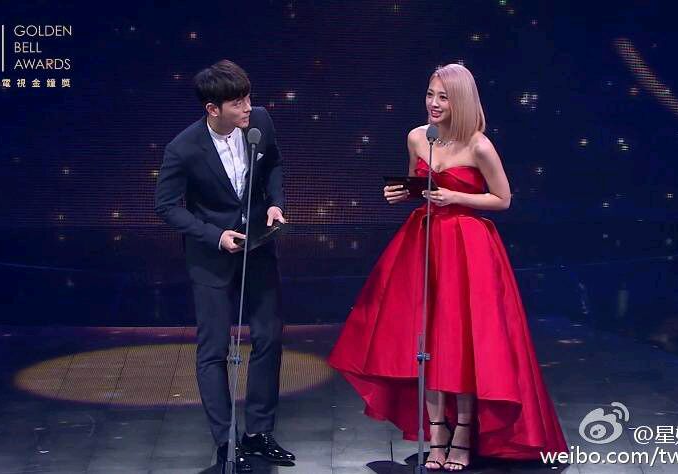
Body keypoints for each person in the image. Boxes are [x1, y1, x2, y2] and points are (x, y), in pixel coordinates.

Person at [328, 63, 568, 471]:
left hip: (467, 248)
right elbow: (417, 186)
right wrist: (402, 193)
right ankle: (436, 434)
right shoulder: (417, 137)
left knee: (462, 344)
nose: (434, 103)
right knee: (424, 342)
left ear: (461, 101)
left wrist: (456, 198)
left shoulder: (479, 146)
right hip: (423, 244)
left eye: (443, 97)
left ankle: (463, 437)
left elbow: (503, 199)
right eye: (430, 94)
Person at [154, 59, 295, 473]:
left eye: (248, 98)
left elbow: (273, 165)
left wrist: (275, 203)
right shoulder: (183, 148)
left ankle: (259, 432)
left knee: (269, 337)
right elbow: (166, 206)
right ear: (212, 109)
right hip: (212, 256)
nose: (248, 108)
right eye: (238, 103)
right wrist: (215, 235)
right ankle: (225, 442)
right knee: (214, 349)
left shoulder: (261, 122)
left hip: (258, 247)